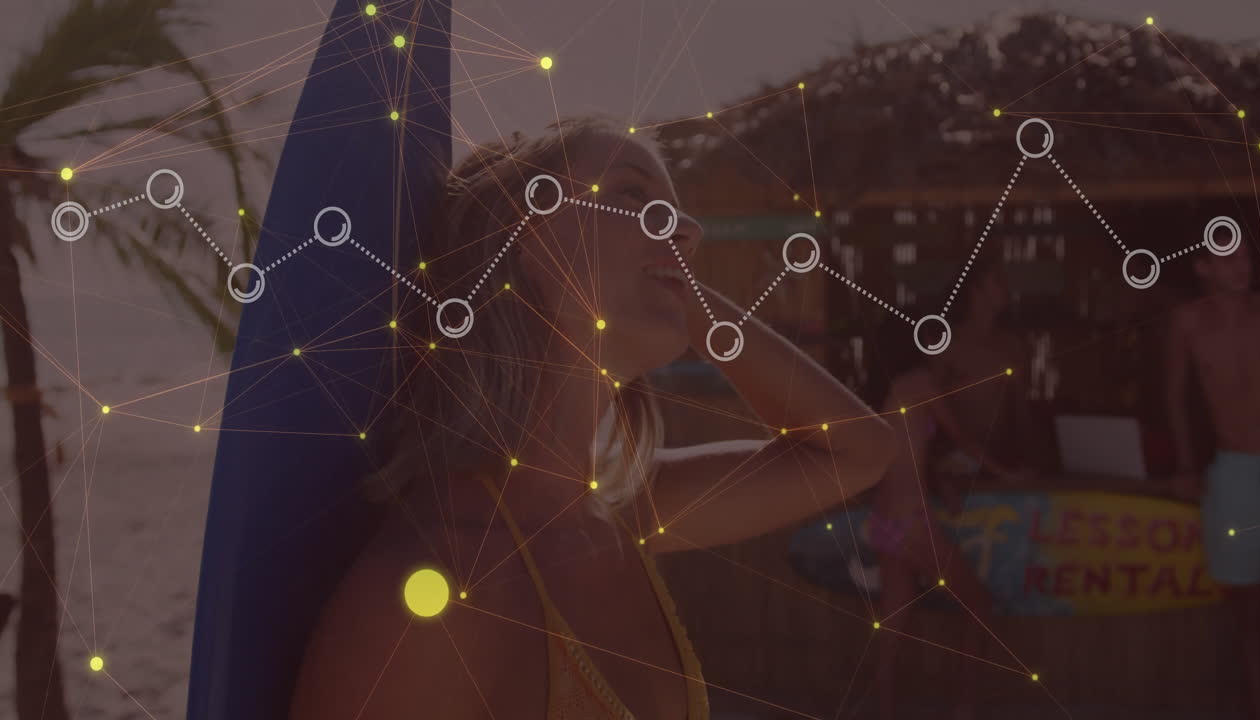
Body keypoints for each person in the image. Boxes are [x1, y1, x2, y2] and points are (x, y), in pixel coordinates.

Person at [286, 116, 899, 719]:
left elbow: (859, 453)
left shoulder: (621, 513)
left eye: (678, 212)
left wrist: (670, 279)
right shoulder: (435, 595)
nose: (688, 230)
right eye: (635, 195)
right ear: (524, 237)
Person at [863, 316, 1019, 720]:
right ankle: (964, 709)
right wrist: (1008, 474)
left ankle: (885, 712)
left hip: (883, 520)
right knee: (980, 604)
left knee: (893, 626)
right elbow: (962, 437)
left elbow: (907, 449)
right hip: (911, 520)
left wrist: (941, 479)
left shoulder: (890, 389)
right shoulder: (920, 383)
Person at [1166, 244, 1260, 720]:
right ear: (1202, 267)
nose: (1242, 267)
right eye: (1228, 259)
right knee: (1248, 609)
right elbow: (1175, 398)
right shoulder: (1187, 323)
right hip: (1235, 471)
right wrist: (1187, 466)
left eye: (1245, 258)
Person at [930, 254, 1042, 479]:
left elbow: (1021, 411)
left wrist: (1031, 460)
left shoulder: (1012, 346)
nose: (1006, 288)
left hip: (1000, 458)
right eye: (998, 280)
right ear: (975, 289)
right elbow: (930, 411)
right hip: (955, 464)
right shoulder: (948, 345)